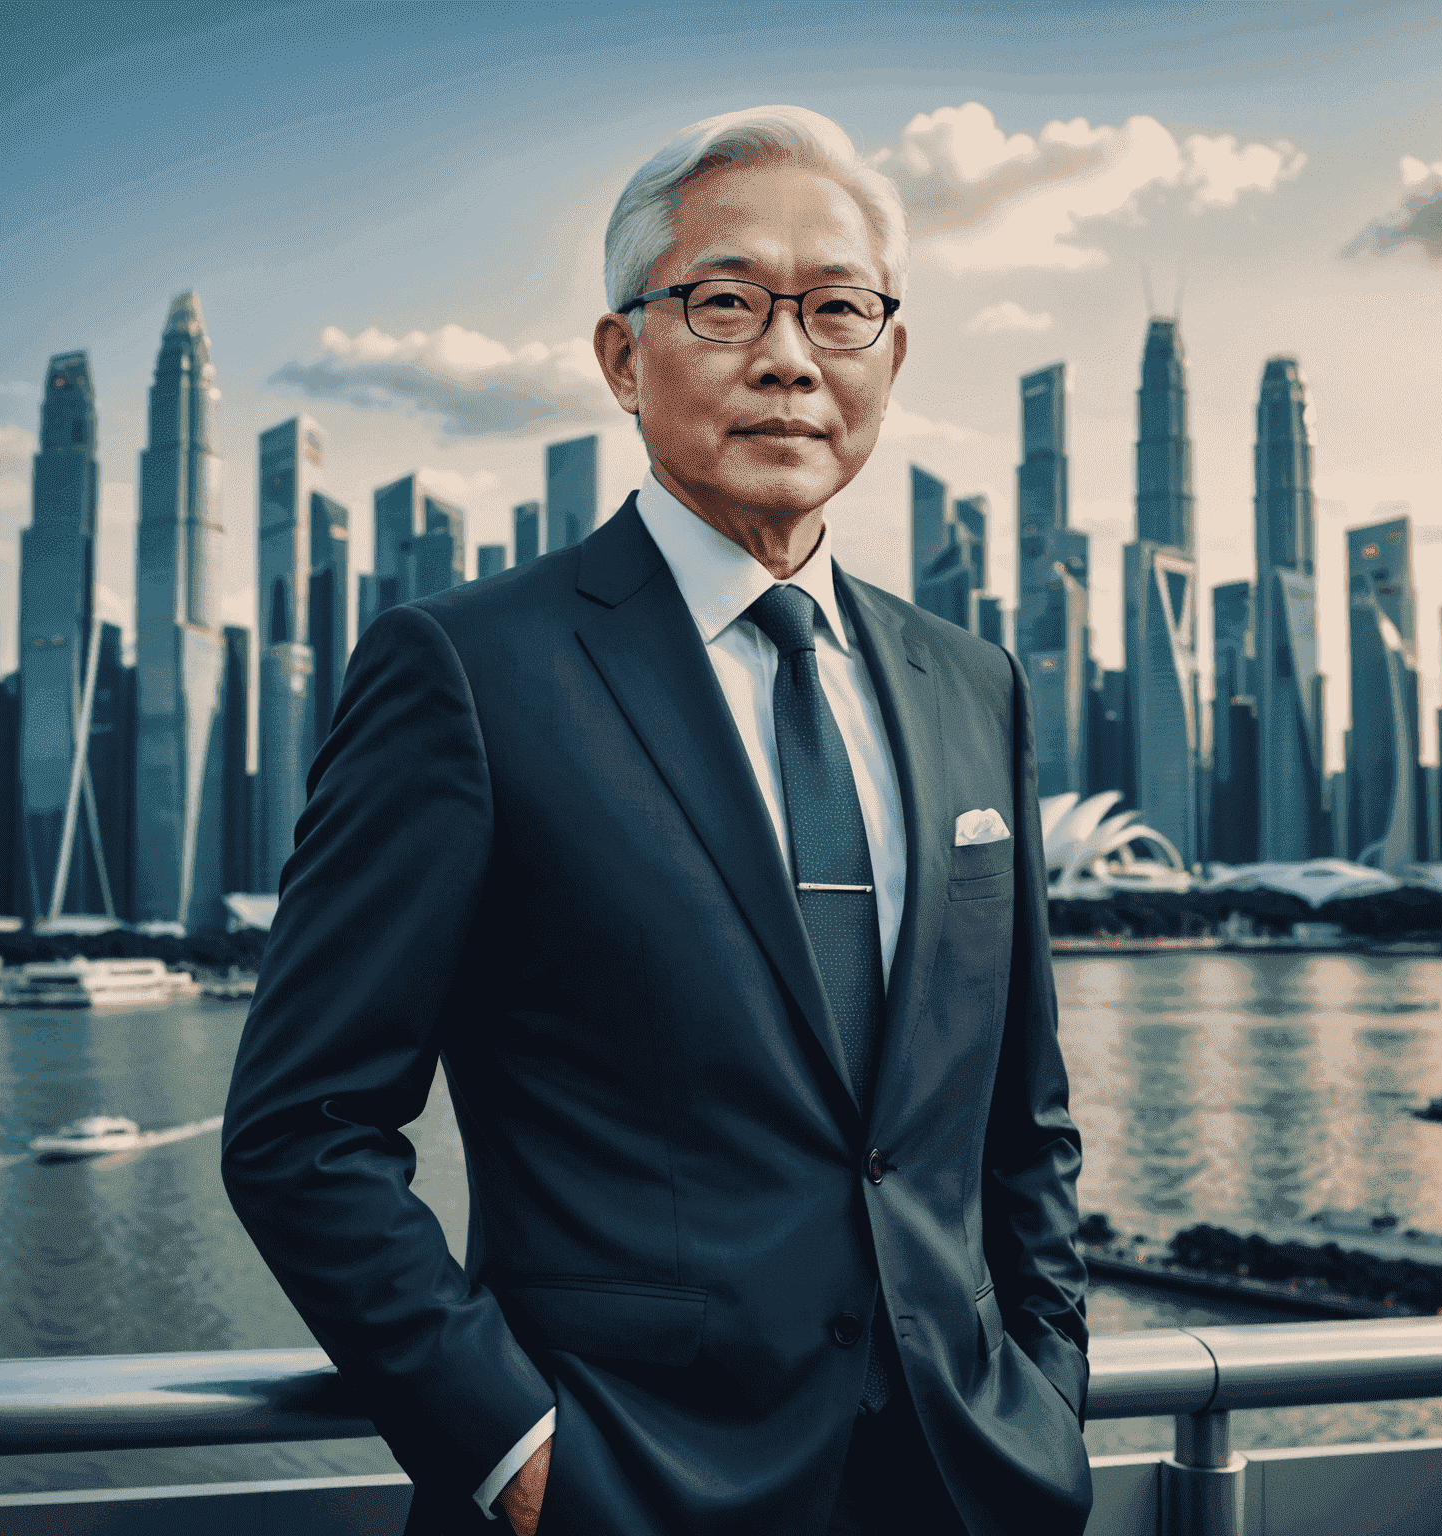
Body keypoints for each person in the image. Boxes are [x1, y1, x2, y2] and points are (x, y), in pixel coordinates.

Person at [222, 104, 1092, 1536]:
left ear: (893, 355)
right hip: (625, 1491)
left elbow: (1024, 1123)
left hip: (964, 1485)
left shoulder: (970, 684)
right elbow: (304, 1130)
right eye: (728, 300)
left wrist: (1044, 1395)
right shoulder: (470, 671)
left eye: (839, 310)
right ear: (625, 357)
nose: (790, 356)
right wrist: (513, 1453)